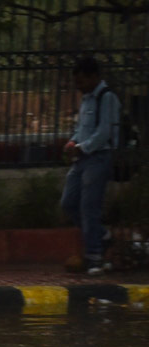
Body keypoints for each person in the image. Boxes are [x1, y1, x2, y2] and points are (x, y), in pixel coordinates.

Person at [60, 56, 121, 276]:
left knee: (89, 207)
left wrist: (82, 147)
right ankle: (103, 237)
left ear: (94, 77)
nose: (79, 87)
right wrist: (73, 141)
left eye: (82, 81)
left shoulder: (107, 97)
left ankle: (94, 257)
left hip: (98, 158)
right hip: (81, 158)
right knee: (69, 203)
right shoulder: (86, 98)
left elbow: (104, 132)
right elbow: (82, 128)